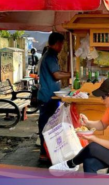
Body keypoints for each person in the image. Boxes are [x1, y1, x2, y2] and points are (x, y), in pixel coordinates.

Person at [49, 77, 109, 174]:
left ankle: (70, 164)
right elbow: (102, 124)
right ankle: (72, 165)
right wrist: (87, 122)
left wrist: (93, 138)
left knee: (93, 147)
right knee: (89, 162)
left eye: (104, 96)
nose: (102, 99)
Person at [37, 32, 71, 162]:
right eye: (61, 44)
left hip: (49, 96)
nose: (62, 47)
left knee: (49, 125)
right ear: (57, 44)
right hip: (47, 97)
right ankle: (44, 153)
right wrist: (71, 74)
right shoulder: (50, 56)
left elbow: (58, 73)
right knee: (46, 126)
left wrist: (69, 73)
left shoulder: (50, 55)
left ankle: (47, 152)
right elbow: (56, 75)